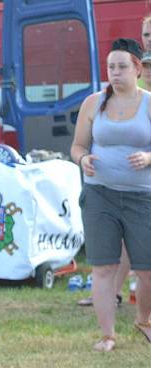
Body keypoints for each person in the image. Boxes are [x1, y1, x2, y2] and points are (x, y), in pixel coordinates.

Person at [70, 37, 151, 351]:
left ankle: (144, 319)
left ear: (137, 69)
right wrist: (83, 159)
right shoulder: (93, 103)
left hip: (141, 196)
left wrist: (148, 158)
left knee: (146, 269)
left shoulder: (148, 102)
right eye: (110, 67)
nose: (115, 73)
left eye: (121, 67)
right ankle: (108, 335)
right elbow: (77, 146)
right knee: (103, 267)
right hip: (99, 194)